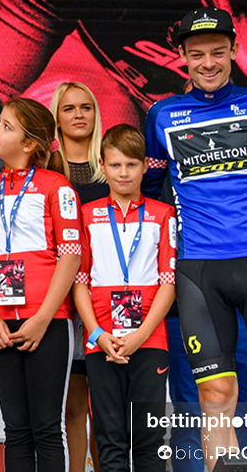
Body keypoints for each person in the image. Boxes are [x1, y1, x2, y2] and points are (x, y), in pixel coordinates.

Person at [142, 7, 247, 469]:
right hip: (199, 274)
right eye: (197, 55)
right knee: (216, 395)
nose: (209, 63)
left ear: (235, 50)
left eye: (218, 52)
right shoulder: (161, 115)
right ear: (182, 56)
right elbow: (150, 195)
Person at [0, 98, 80, 472]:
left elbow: (71, 256)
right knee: (15, 430)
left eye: (6, 126)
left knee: (46, 429)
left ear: (30, 143)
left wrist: (43, 318)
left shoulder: (57, 187)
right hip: (0, 325)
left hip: (48, 322)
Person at [73, 124, 175, 471]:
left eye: (131, 164)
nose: (124, 173)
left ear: (145, 166)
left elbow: (168, 283)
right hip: (102, 341)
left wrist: (140, 335)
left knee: (148, 440)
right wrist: (97, 334)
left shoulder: (163, 213)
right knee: (110, 440)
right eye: (115, 165)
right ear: (102, 166)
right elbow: (79, 281)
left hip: (149, 339)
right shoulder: (87, 214)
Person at [47, 81, 105, 472]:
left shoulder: (113, 165)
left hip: (107, 296)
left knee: (106, 407)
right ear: (56, 117)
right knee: (73, 403)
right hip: (62, 298)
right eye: (69, 108)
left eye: (86, 107)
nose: (79, 115)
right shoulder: (47, 169)